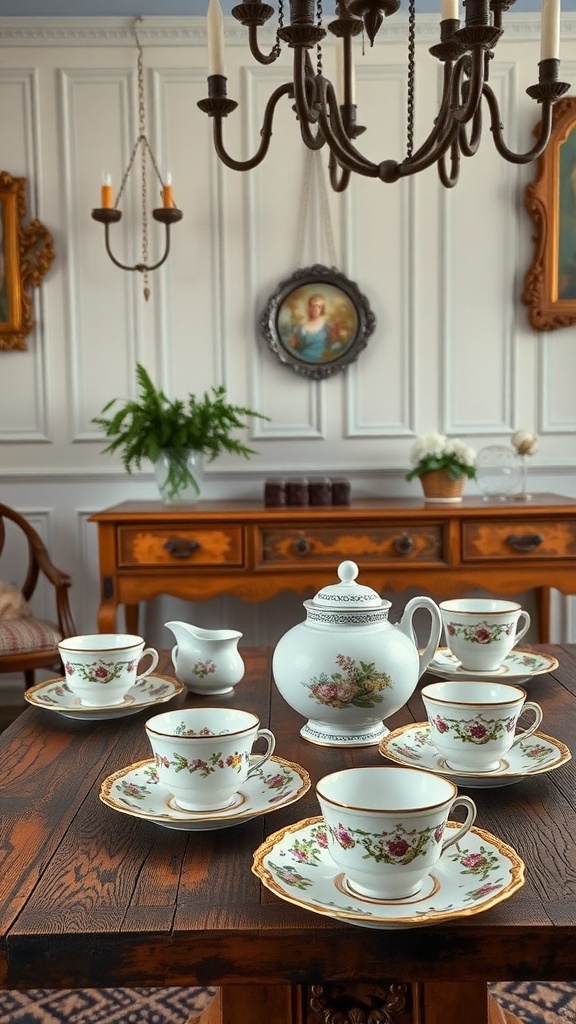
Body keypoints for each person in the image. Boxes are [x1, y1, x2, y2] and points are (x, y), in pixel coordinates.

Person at [289, 294, 343, 363]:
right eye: (313, 306)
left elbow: (334, 344)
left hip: (321, 360)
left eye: (319, 307)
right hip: (302, 360)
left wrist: (333, 338)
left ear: (322, 309)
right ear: (309, 307)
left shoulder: (327, 326)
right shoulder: (301, 326)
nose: (316, 309)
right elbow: (294, 345)